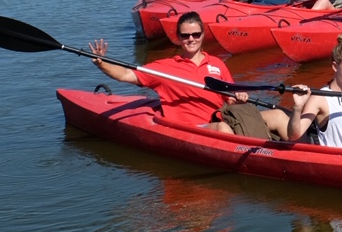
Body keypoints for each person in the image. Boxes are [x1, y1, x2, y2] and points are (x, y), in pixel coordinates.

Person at [88, 12, 289, 138]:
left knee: (279, 116)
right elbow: (126, 75)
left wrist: (239, 99)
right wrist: (101, 63)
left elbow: (229, 99)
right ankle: (262, 157)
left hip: (224, 119)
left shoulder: (217, 64)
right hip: (196, 129)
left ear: (202, 35)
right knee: (222, 129)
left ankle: (305, 152)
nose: (191, 39)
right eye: (185, 35)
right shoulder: (164, 68)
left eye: (196, 34)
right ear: (178, 38)